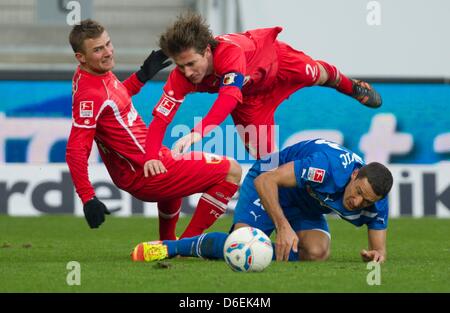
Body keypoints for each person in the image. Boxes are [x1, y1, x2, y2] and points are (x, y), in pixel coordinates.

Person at [143, 12, 383, 177]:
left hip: (278, 64)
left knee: (318, 75)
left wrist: (197, 132)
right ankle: (288, 214)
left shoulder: (230, 53)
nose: (187, 72)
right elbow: (161, 118)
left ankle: (353, 87)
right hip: (249, 100)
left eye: (191, 63)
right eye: (180, 65)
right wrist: (151, 156)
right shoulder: (181, 77)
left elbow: (227, 98)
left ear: (207, 51)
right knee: (268, 162)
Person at [66, 19, 242, 240]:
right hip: (143, 171)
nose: (108, 52)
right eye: (98, 49)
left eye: (108, 44)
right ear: (80, 57)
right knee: (232, 170)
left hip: (148, 161)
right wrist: (88, 198)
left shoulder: (96, 74)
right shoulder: (89, 95)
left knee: (174, 170)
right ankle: (185, 246)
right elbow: (76, 149)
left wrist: (142, 76)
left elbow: (115, 99)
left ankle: (166, 243)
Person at [131, 138, 393, 263]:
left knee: (316, 253)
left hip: (304, 202)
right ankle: (170, 247)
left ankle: (263, 252)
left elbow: (378, 250)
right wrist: (282, 226)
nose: (357, 202)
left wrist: (375, 256)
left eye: (366, 201)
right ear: (355, 174)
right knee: (241, 246)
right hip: (268, 180)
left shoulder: (375, 200)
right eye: (358, 192)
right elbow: (266, 180)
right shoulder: (326, 167)